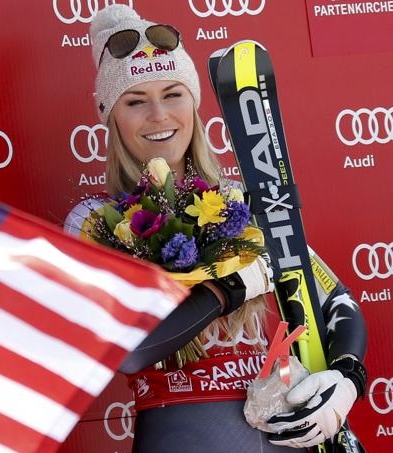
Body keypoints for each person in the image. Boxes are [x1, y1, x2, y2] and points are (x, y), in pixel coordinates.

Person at [64, 5, 367, 453]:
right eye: (135, 101)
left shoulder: (241, 204)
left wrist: (345, 382)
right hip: (186, 437)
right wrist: (234, 289)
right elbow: (129, 351)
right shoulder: (94, 221)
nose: (159, 115)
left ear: (193, 103)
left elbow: (336, 299)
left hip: (283, 429)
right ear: (110, 114)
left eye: (173, 94)